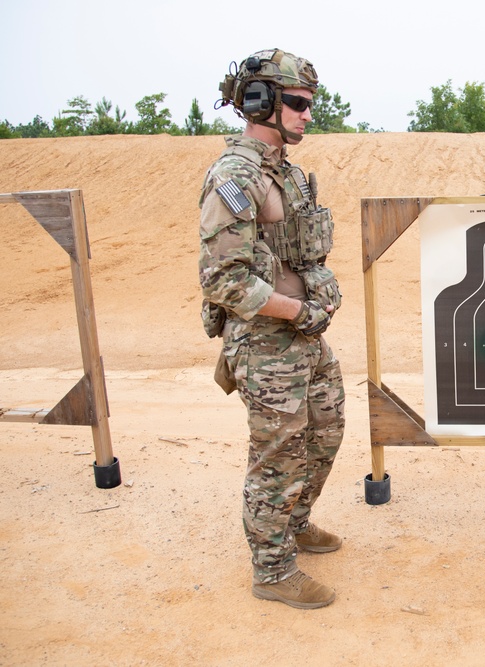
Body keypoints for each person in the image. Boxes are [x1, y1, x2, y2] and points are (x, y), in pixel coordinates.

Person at [198, 48, 346, 610]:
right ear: (262, 102)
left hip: (303, 337)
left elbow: (298, 252)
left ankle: (296, 523)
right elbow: (224, 279)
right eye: (299, 103)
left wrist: (320, 288)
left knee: (326, 430)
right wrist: (296, 310)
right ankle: (273, 568)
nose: (309, 114)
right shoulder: (235, 176)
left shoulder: (281, 172)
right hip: (265, 342)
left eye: (311, 103)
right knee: (278, 453)